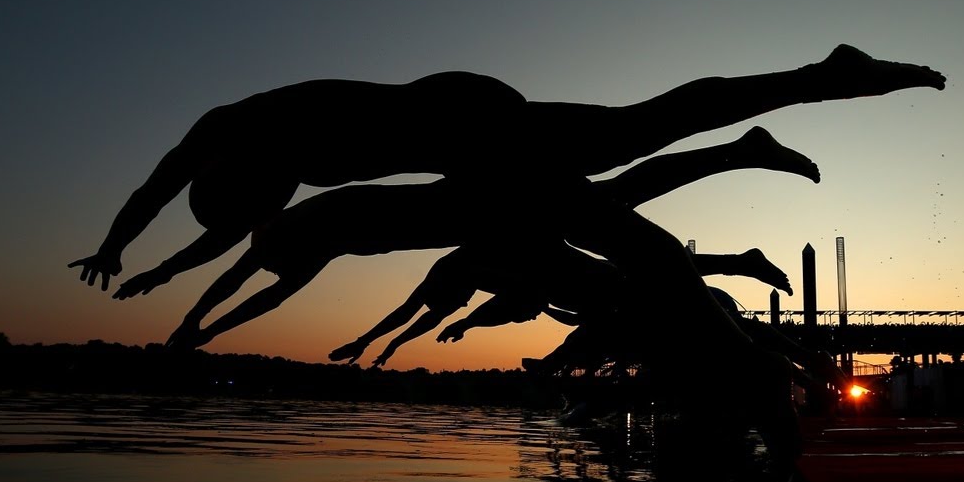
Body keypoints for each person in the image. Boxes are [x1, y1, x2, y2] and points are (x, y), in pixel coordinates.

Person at [70, 45, 944, 295]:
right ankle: (810, 87)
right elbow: (226, 237)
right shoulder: (266, 166)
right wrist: (126, 260)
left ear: (227, 172)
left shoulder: (234, 127)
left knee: (624, 149)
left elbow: (155, 192)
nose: (280, 205)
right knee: (634, 135)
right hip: (469, 133)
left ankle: (810, 88)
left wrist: (123, 239)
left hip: (470, 122)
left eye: (264, 199)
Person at [164, 127, 818, 351]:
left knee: (610, 201)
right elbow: (253, 294)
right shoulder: (298, 244)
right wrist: (202, 328)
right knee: (611, 204)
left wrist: (198, 323)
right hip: (475, 213)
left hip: (473, 203)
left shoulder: (291, 233)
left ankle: (736, 154)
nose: (276, 278)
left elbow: (237, 282)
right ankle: (735, 166)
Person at [328, 240, 791, 368]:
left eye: (457, 307)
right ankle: (734, 264)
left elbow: (412, 314)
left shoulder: (464, 269)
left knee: (642, 275)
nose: (452, 310)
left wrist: (370, 340)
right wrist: (377, 346)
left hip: (567, 272)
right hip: (567, 279)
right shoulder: (463, 278)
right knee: (643, 280)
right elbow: (418, 319)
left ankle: (737, 262)